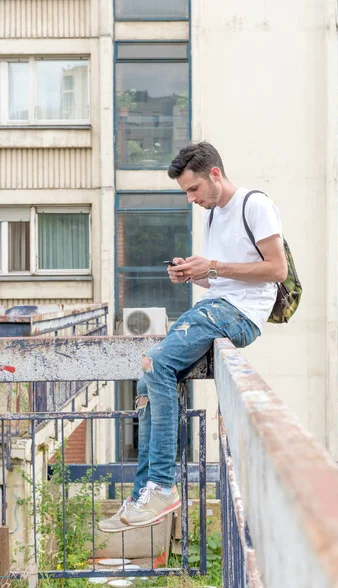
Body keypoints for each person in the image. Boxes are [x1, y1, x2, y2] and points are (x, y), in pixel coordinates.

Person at [98, 141, 287, 533]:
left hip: (242, 316)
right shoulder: (212, 216)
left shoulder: (256, 205)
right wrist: (192, 274)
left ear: (214, 174)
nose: (191, 198)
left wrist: (213, 266)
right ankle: (143, 492)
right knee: (150, 370)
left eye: (194, 189)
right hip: (217, 306)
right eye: (186, 192)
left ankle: (163, 485)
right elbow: (218, 279)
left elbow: (277, 270)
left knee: (159, 362)